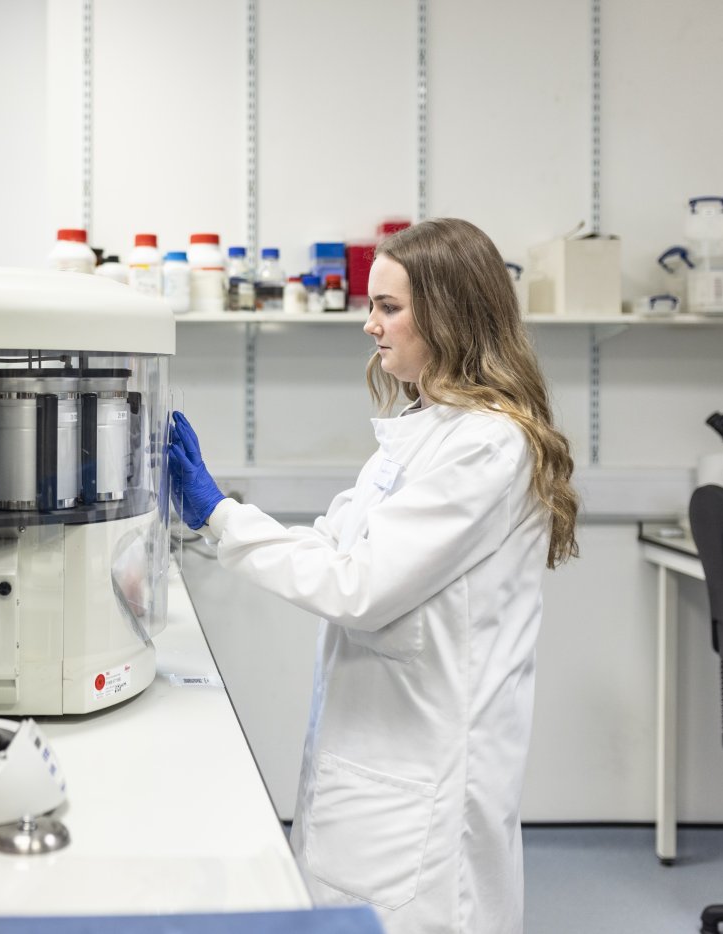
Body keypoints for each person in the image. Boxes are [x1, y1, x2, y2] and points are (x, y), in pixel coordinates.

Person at [167, 217, 579, 934]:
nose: (369, 325)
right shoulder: (419, 429)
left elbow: (355, 586)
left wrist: (219, 515)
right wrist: (225, 512)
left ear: (449, 315)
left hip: (427, 775)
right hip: (376, 755)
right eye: (370, 306)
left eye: (388, 307)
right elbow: (332, 545)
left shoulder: (485, 446)